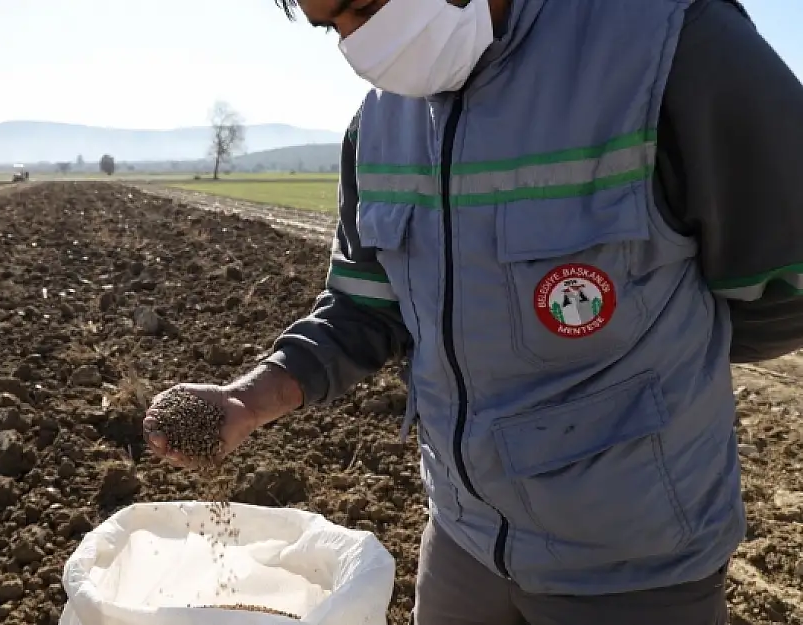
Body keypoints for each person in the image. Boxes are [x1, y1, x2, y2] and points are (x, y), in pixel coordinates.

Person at [144, 0, 803, 623]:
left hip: (633, 566)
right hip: (465, 537)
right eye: (332, 25)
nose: (358, 43)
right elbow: (364, 308)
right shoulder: (381, 125)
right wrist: (247, 401)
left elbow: (780, 287)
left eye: (366, 7)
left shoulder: (669, 46)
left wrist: (656, 376)